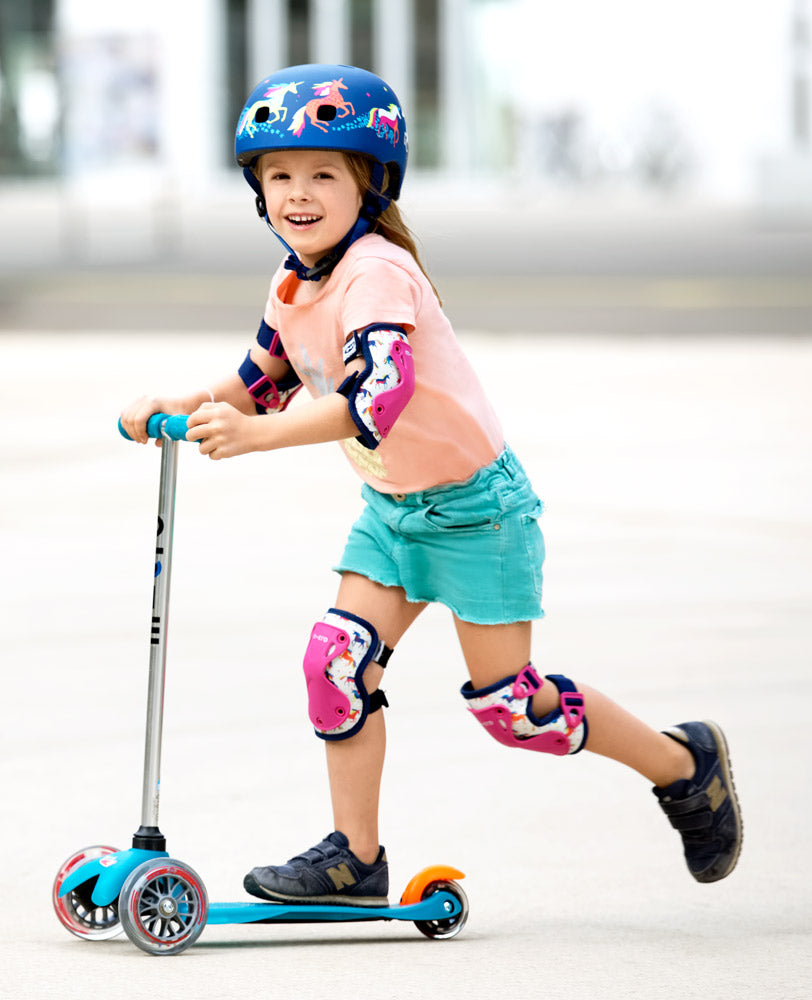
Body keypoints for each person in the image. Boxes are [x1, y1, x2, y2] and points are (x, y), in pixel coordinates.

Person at [120, 64, 742, 906]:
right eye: (279, 177)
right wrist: (188, 404)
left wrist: (258, 438)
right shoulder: (293, 280)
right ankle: (354, 860)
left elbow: (375, 397)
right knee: (335, 664)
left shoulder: (376, 273)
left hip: (477, 514)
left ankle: (684, 763)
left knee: (515, 711)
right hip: (394, 512)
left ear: (370, 183)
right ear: (258, 192)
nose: (297, 194)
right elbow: (262, 381)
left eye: (322, 175)